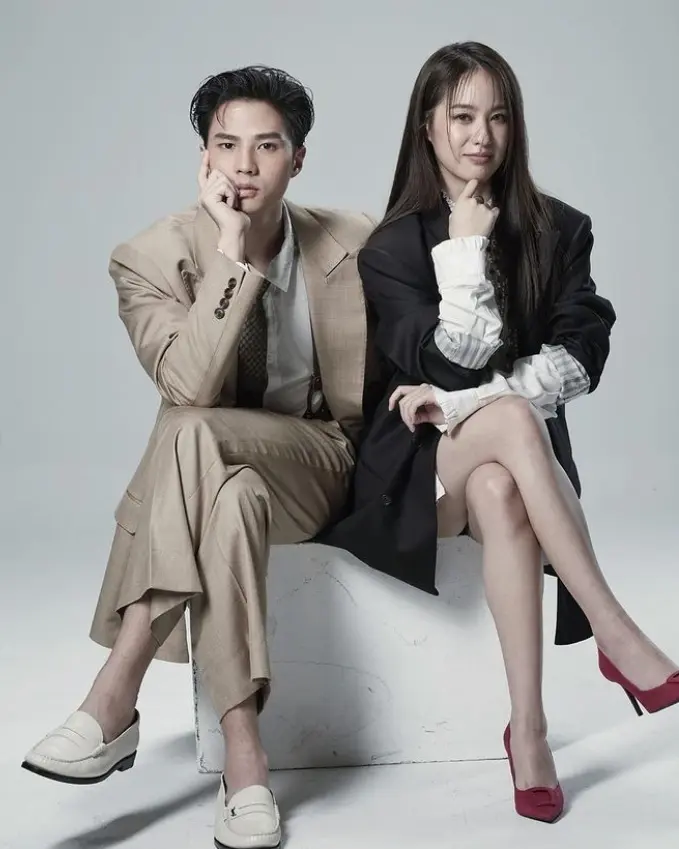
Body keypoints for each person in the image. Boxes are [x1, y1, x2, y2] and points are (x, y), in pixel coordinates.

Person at [319, 42, 679, 823]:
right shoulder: (391, 247)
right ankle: (615, 633)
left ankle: (530, 732)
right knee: (512, 418)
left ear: (515, 127)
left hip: (505, 465)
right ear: (426, 127)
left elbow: (579, 357)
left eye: (497, 116)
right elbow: (449, 358)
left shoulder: (560, 229)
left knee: (500, 488)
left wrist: (460, 402)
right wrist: (464, 248)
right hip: (413, 470)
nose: (479, 135)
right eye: (460, 116)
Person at [21, 65, 379, 849]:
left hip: (322, 462)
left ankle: (115, 693)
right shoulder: (148, 257)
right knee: (229, 501)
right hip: (223, 481)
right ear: (203, 156)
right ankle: (245, 764)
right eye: (225, 145)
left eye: (266, 146)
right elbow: (187, 382)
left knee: (188, 433)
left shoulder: (354, 240)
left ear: (298, 158)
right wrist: (232, 257)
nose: (243, 166)